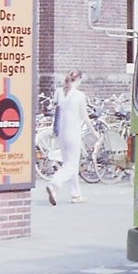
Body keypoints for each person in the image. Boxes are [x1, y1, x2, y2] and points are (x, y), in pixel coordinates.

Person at [46, 69, 95, 205]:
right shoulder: (79, 95)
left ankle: (76, 195)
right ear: (79, 80)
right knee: (72, 165)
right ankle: (54, 183)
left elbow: (53, 107)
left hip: (61, 133)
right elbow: (85, 117)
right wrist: (94, 132)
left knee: (68, 162)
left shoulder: (59, 92)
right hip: (73, 133)